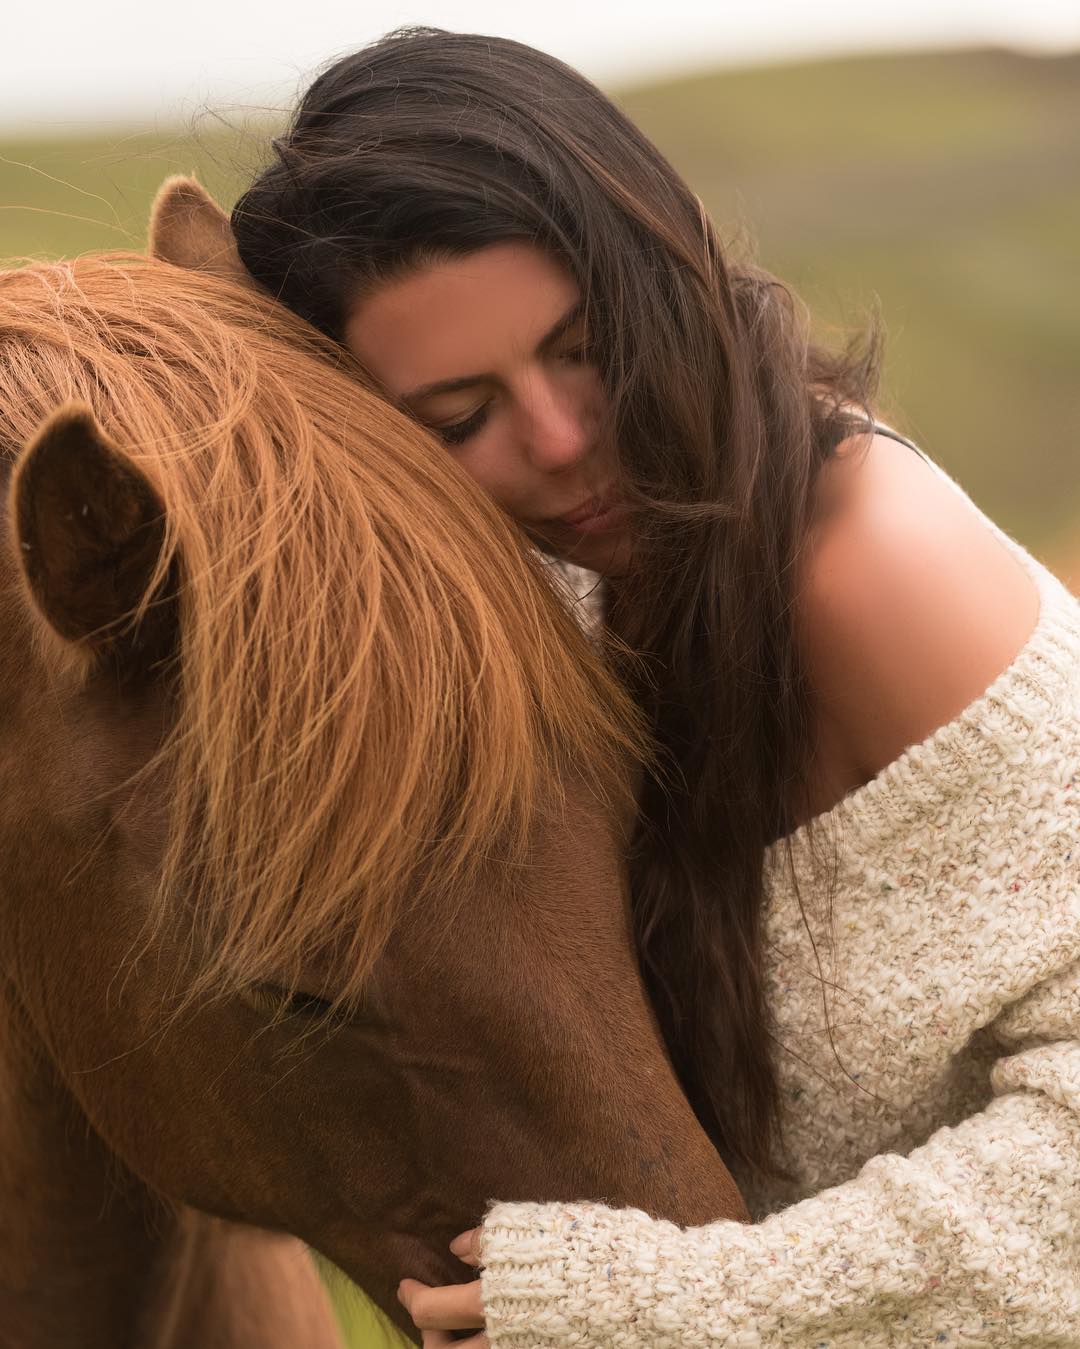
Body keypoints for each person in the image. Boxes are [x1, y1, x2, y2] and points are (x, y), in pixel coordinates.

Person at [231, 27, 1080, 1347]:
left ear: (663, 269)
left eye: (585, 346)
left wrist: (663, 1307)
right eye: (458, 419)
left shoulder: (876, 577)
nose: (562, 440)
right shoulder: (543, 590)